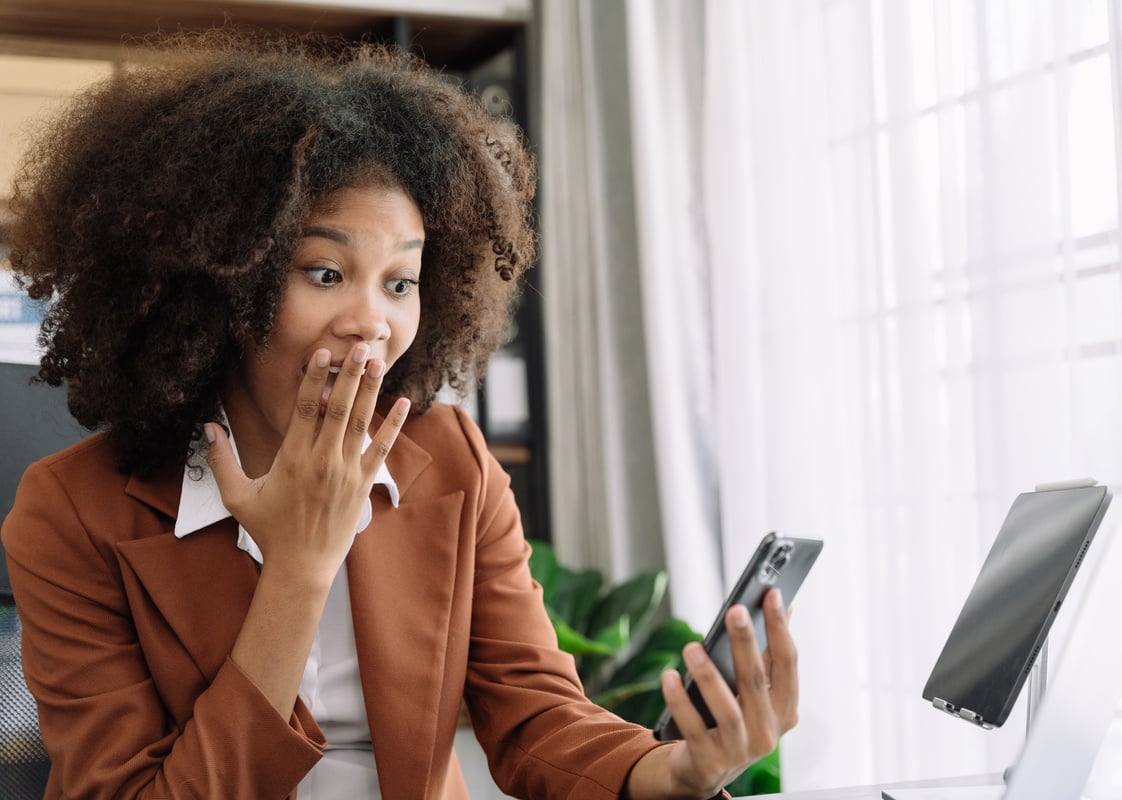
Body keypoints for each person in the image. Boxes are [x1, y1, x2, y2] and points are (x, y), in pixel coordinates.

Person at [0, 30, 798, 799]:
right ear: (219, 286)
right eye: (324, 272)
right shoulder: (73, 513)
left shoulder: (452, 461)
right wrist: (299, 570)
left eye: (399, 282)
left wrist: (677, 772)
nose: (370, 321)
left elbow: (540, 714)